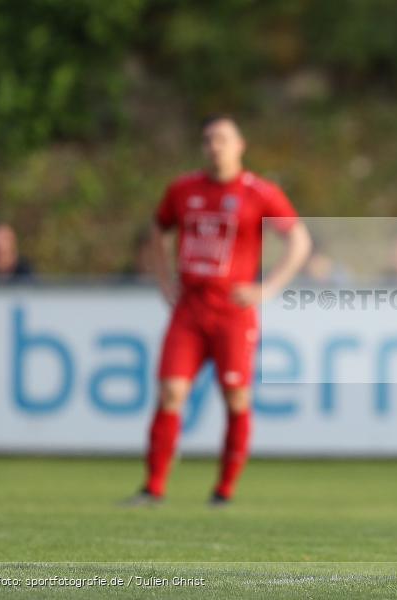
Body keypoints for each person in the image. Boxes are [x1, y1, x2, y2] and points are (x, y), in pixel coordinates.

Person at [124, 115, 312, 507]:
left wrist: (268, 287)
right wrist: (164, 280)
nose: (215, 146)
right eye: (208, 139)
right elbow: (158, 230)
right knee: (171, 391)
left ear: (239, 146)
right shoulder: (183, 189)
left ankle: (224, 490)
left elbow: (298, 239)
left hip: (232, 312)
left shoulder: (258, 192)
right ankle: (153, 487)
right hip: (190, 310)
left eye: (223, 139)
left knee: (235, 397)